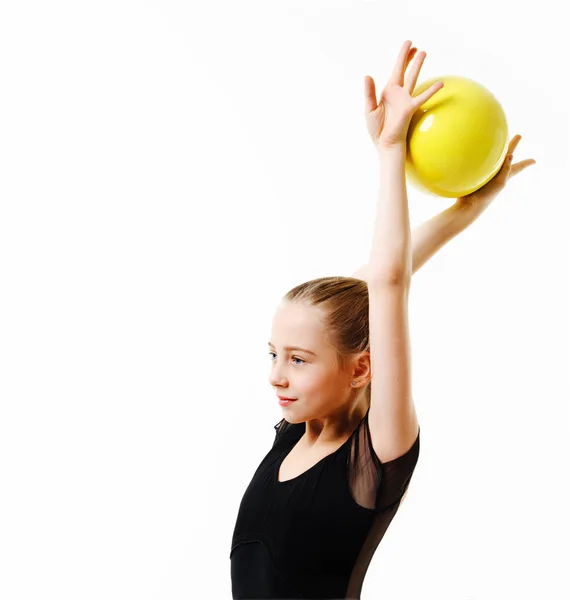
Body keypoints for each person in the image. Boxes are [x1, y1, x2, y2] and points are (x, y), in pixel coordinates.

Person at [229, 40, 536, 600]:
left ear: (362, 367)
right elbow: (368, 284)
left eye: (298, 360)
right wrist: (467, 209)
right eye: (273, 354)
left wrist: (392, 151)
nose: (277, 375)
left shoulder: (376, 451)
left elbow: (389, 282)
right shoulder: (294, 436)